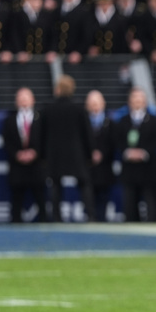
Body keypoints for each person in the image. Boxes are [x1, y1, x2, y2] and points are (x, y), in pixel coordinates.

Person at [41, 75, 96, 222]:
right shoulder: (79, 109)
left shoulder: (48, 109)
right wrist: (90, 154)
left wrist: (43, 157)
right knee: (84, 184)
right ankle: (90, 215)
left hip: (55, 155)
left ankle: (56, 217)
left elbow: (41, 135)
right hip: (76, 155)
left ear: (57, 89)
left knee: (56, 186)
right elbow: (87, 134)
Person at [1, 87, 47, 222]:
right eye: (21, 99)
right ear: (16, 101)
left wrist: (35, 153)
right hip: (17, 167)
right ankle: (15, 225)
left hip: (37, 166)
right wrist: (17, 154)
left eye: (26, 98)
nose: (24, 101)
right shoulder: (9, 120)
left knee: (40, 197)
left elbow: (46, 139)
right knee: (16, 199)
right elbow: (6, 141)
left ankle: (45, 224)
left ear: (33, 100)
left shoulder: (41, 118)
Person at [117, 87, 156, 222]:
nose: (137, 101)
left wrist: (144, 153)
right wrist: (128, 152)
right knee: (129, 200)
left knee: (149, 199)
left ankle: (151, 223)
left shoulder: (153, 120)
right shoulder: (123, 120)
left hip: (147, 168)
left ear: (145, 102)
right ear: (129, 101)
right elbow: (118, 140)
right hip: (129, 168)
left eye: (140, 99)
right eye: (134, 98)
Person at [85, 90, 116, 222]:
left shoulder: (110, 122)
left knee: (104, 198)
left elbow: (114, 143)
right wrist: (90, 154)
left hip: (105, 167)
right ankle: (91, 218)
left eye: (97, 102)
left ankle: (102, 219)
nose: (95, 106)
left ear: (103, 104)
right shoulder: (84, 122)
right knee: (88, 196)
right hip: (88, 168)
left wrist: (102, 153)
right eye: (92, 103)